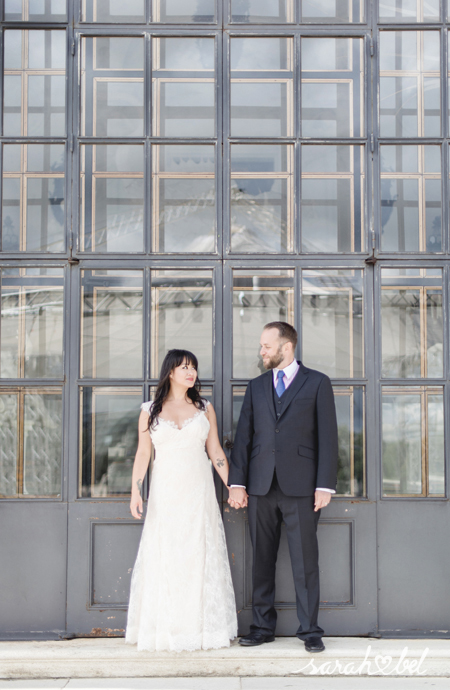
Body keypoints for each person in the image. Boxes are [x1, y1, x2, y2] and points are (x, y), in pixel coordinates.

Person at [228, 322, 338, 653]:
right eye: (261, 346)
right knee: (261, 560)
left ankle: (310, 631)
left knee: (306, 561)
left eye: (266, 346)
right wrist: (238, 482)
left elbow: (328, 438)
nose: (261, 351)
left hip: (303, 488)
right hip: (260, 487)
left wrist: (325, 485)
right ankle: (262, 627)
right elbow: (244, 437)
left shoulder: (317, 383)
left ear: (285, 347)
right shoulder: (257, 386)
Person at [125, 349, 237, 652]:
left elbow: (215, 451)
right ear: (170, 372)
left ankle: (201, 630)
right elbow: (144, 453)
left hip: (198, 493)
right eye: (185, 367)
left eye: (194, 368)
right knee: (165, 556)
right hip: (165, 495)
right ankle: (165, 629)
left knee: (199, 554)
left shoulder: (204, 408)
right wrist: (136, 490)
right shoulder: (149, 409)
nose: (191, 373)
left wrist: (233, 486)